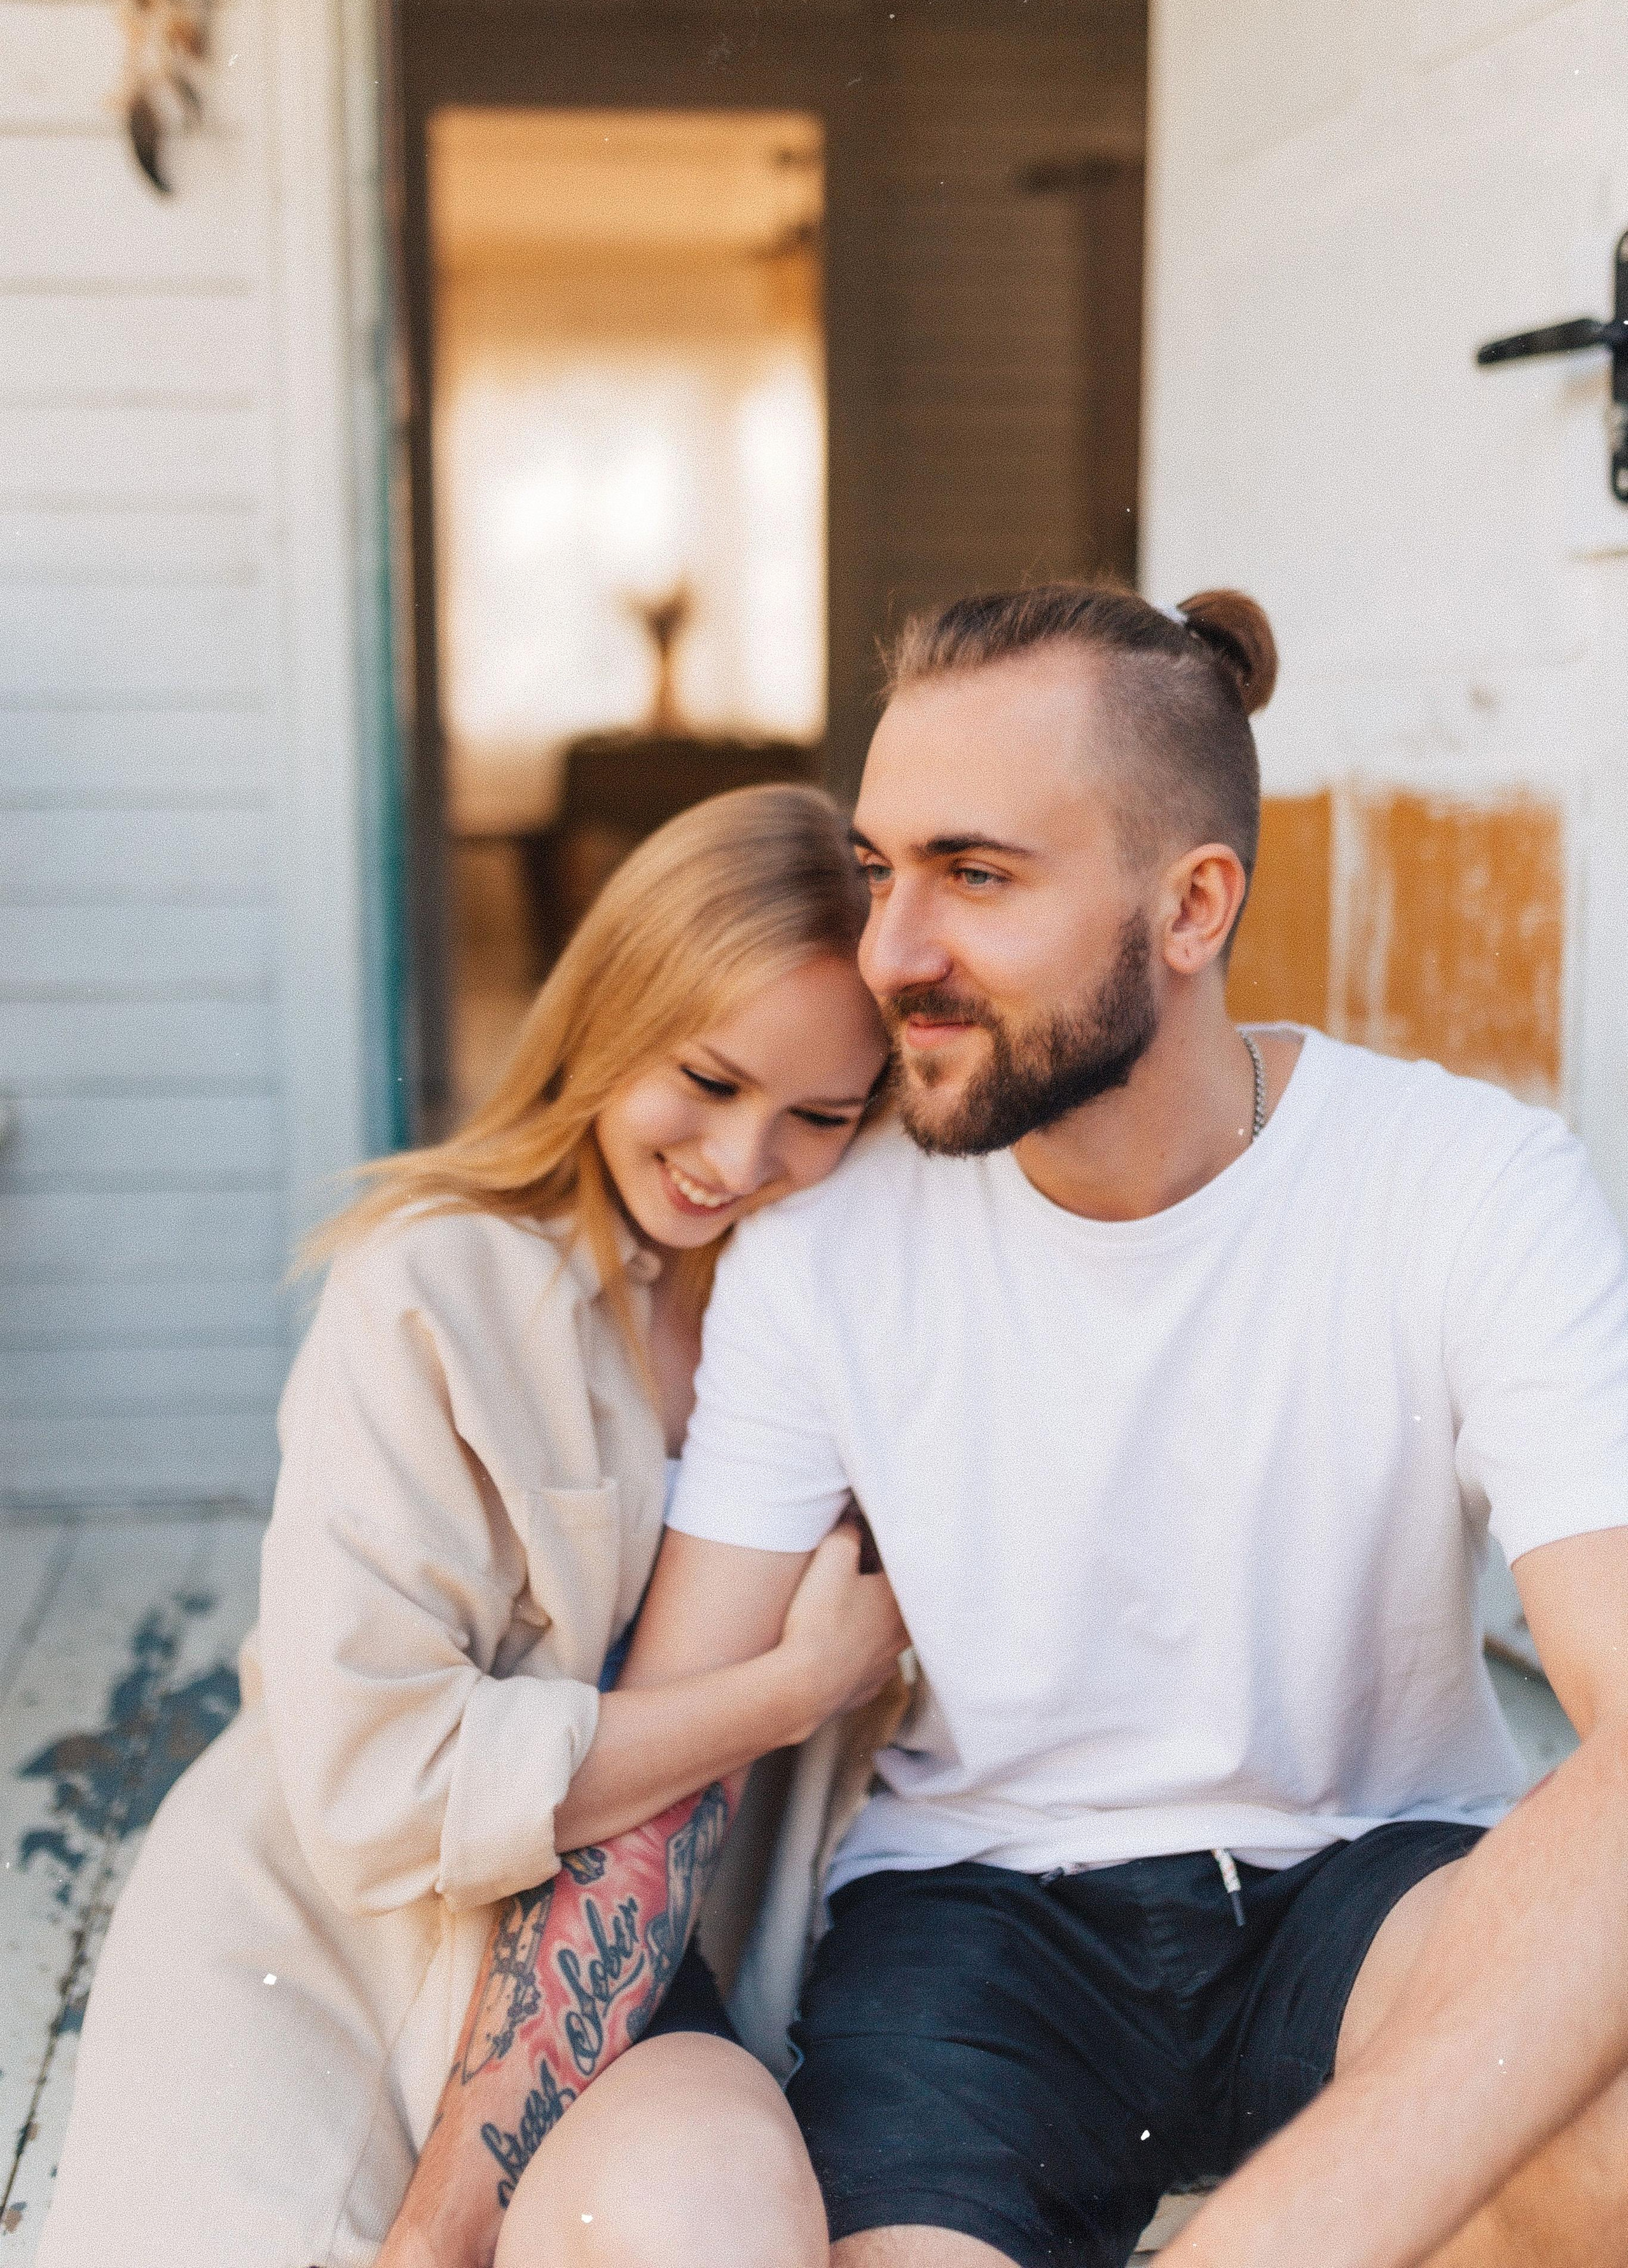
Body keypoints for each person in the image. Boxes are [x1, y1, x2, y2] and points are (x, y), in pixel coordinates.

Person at [386, 578, 1628, 2268]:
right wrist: (442, 2226)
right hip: (975, 1924)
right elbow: (672, 1750)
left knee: (1604, 2155)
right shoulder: (824, 1245)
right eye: (881, 871)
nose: (890, 952)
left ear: (1192, 908)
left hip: (1373, 1881)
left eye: (975, 877)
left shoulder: (1468, 1184)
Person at [34, 783, 907, 2268]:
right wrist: (789, 1690)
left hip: (638, 1974)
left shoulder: (845, 1311)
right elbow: (387, 1783)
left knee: (712, 2210)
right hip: (336, 1958)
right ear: (608, 1015)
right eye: (703, 1078)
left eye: (816, 1116)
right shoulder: (433, 1293)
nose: (739, 1156)